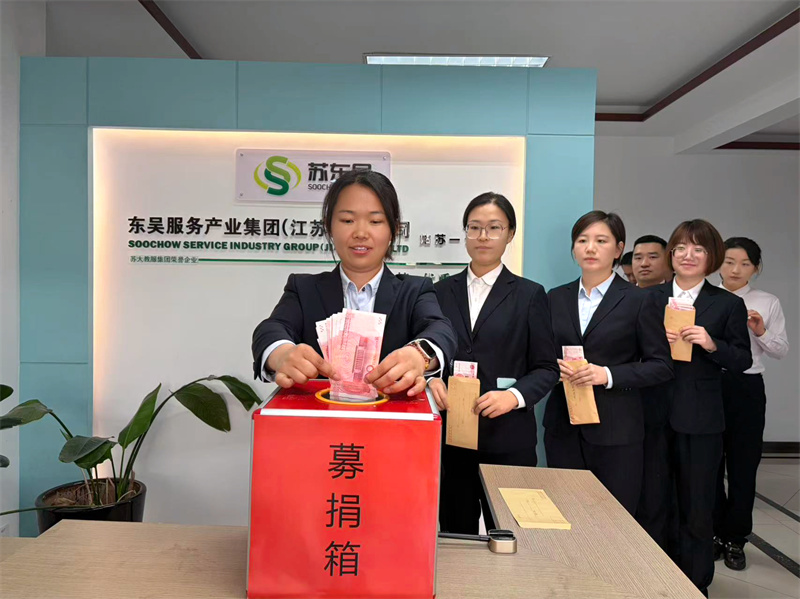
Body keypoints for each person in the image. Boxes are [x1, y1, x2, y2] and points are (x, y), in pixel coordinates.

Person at [251, 169, 457, 396]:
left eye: (375, 221)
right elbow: (271, 329)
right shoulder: (303, 289)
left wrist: (419, 355)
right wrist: (281, 353)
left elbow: (441, 330)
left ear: (394, 230)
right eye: (348, 220)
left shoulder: (415, 291)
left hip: (392, 416)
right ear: (329, 226)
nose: (360, 232)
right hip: (319, 415)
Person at [429, 193, 559, 534]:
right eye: (474, 228)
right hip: (452, 437)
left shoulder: (530, 294)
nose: (483, 236)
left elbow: (546, 368)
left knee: (510, 534)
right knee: (456, 532)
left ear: (510, 233)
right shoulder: (439, 292)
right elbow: (429, 354)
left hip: (508, 437)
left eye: (493, 228)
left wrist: (513, 397)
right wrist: (430, 379)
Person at [544, 210, 673, 515]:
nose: (590, 248)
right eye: (582, 240)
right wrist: (551, 367)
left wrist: (607, 374)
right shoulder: (555, 297)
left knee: (613, 517)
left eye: (601, 241)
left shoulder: (640, 300)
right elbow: (541, 353)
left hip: (617, 429)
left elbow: (661, 365)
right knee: (565, 513)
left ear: (618, 249)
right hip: (564, 425)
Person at [648, 220, 752, 596]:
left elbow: (741, 359)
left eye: (698, 249)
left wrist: (711, 344)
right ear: (671, 254)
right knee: (655, 503)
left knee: (697, 505)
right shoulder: (648, 298)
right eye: (680, 248)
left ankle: (694, 583)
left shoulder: (727, 304)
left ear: (712, 257)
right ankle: (655, 578)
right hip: (651, 414)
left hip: (701, 418)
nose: (687, 256)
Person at [713, 237, 789, 570]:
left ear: (756, 268)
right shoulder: (704, 297)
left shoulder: (767, 302)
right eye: (729, 261)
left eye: (745, 264)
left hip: (746, 387)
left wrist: (760, 331)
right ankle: (714, 533)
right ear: (718, 262)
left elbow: (781, 350)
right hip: (708, 385)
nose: (735, 269)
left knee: (743, 465)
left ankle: (736, 538)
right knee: (709, 464)